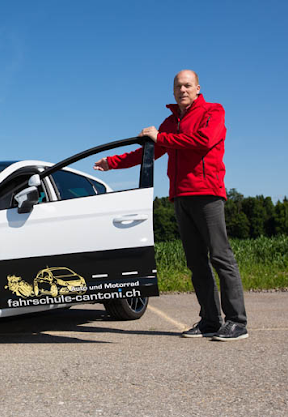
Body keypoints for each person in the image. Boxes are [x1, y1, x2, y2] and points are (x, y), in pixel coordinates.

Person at [94, 70, 248, 341]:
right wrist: (113, 162)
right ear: (173, 91)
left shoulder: (213, 111)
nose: (183, 90)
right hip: (180, 197)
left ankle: (237, 322)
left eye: (188, 85)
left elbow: (203, 141)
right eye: (178, 86)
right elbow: (149, 152)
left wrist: (160, 137)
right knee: (196, 263)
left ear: (198, 88)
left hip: (208, 193)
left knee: (221, 258)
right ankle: (210, 321)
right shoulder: (170, 122)